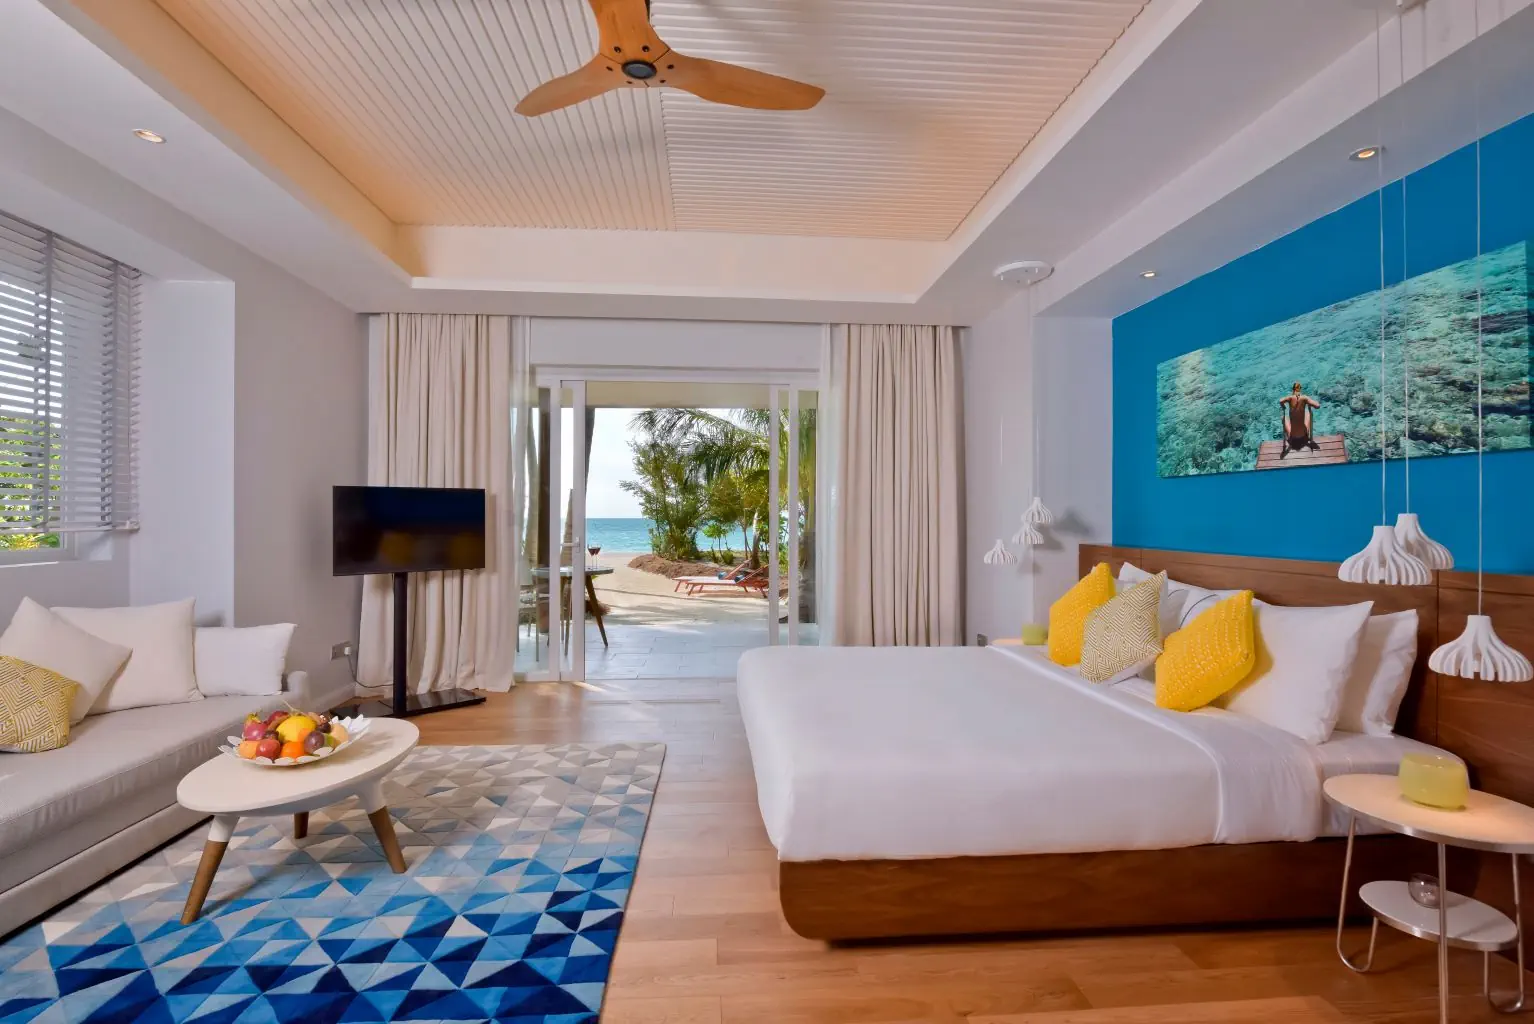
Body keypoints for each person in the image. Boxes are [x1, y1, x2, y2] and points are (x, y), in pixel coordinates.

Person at [1279, 382, 1320, 456]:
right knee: (1308, 414)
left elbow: (1280, 401)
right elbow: (1317, 405)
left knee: (1284, 418)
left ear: (1293, 389)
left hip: (1292, 438)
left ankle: (1289, 433)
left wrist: (1283, 406)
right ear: (1300, 389)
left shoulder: (1290, 398)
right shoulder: (1304, 398)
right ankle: (1308, 437)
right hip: (1304, 436)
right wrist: (1310, 401)